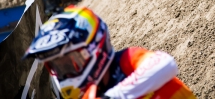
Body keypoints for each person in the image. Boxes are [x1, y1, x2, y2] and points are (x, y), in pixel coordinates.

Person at [24, 6, 196, 99]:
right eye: (58, 66)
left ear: (93, 48)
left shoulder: (126, 61)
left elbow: (166, 64)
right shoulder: (89, 96)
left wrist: (115, 96)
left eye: (69, 62)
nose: (65, 72)